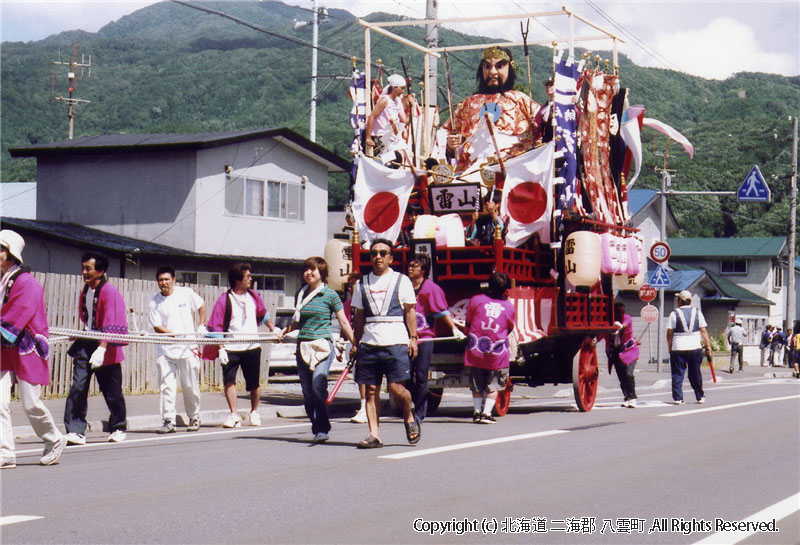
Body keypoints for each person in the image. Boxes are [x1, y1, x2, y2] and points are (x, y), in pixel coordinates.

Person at [0, 230, 67, 468]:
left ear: (11, 254)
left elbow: (13, 318)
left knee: (30, 403)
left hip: (27, 349)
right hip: (5, 349)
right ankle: (5, 452)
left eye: (0, 248)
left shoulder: (27, 283)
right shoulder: (4, 281)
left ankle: (55, 438)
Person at [350, 238, 420, 448]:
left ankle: (409, 416)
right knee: (371, 390)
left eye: (382, 253)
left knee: (396, 389)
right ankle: (374, 434)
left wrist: (413, 338)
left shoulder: (402, 280)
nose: (378, 257)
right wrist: (356, 342)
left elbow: (410, 311)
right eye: (373, 253)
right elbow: (359, 316)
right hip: (370, 342)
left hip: (396, 340)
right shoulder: (361, 283)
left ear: (390, 257)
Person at [279, 257, 356, 443]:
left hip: (323, 345)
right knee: (307, 392)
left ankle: (322, 427)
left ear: (322, 273)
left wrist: (356, 342)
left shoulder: (330, 295)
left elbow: (343, 321)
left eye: (313, 269)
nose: (308, 273)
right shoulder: (301, 294)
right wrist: (285, 330)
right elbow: (298, 322)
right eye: (306, 269)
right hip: (303, 345)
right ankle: (317, 425)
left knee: (317, 385)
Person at [64, 252, 129, 444]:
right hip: (87, 342)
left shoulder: (110, 292)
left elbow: (112, 319)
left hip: (106, 345)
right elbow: (88, 318)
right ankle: (75, 429)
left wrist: (102, 347)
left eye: (88, 268)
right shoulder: (85, 290)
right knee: (78, 386)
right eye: (83, 268)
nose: (84, 272)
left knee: (112, 390)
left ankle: (118, 426)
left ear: (100, 271)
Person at [444, 46, 540, 173]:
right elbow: (447, 134)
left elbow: (542, 129)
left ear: (510, 67)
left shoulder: (521, 100)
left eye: (499, 66)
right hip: (472, 170)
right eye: (487, 67)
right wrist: (451, 146)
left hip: (512, 168)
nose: (493, 72)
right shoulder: (468, 103)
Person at [203, 263, 274, 428]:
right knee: (229, 381)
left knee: (254, 383)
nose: (251, 279)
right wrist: (220, 348)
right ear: (237, 280)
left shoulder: (254, 296)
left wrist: (273, 329)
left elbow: (263, 315)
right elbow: (216, 326)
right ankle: (234, 415)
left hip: (252, 346)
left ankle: (254, 412)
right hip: (231, 347)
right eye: (247, 276)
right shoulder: (224, 299)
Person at [148, 266, 206, 433]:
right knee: (167, 386)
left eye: (167, 279)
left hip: (187, 348)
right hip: (166, 350)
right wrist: (173, 335)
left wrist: (201, 325)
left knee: (190, 385)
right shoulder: (155, 301)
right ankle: (168, 421)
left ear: (173, 279)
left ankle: (194, 417)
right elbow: (157, 326)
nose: (164, 283)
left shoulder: (185, 293)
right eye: (160, 280)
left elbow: (201, 305)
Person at [406, 253, 462, 422]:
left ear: (423, 270)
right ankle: (409, 406)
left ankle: (420, 411)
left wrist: (454, 329)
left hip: (426, 337)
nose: (410, 268)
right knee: (406, 374)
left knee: (422, 374)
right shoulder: (404, 286)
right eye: (409, 265)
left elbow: (442, 311)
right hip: (406, 337)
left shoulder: (430, 288)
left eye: (414, 266)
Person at [463, 271, 515, 423]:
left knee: (477, 384)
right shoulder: (508, 306)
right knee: (493, 384)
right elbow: (509, 327)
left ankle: (477, 411)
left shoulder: (476, 299)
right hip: (496, 351)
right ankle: (486, 413)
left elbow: (469, 321)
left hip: (476, 348)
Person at [666, 290, 712, 405]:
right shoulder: (697, 312)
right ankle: (699, 396)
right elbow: (703, 330)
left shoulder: (674, 313)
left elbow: (669, 332)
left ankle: (678, 398)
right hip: (694, 346)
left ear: (680, 301)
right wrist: (708, 346)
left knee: (677, 373)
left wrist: (670, 346)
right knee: (695, 372)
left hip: (678, 346)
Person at [341, 273, 369, 424]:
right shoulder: (347, 304)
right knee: (358, 377)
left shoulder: (367, 302)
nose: (353, 288)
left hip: (367, 342)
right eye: (351, 285)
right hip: (353, 344)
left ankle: (366, 407)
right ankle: (364, 406)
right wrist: (345, 343)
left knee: (366, 376)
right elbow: (344, 325)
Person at [364, 74, 411, 159]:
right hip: (379, 137)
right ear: (394, 87)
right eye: (401, 88)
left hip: (391, 138)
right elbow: (372, 116)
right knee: (381, 161)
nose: (403, 91)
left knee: (394, 160)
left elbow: (404, 120)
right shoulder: (385, 100)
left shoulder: (397, 102)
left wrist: (412, 108)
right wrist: (368, 137)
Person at [602, 302, 640, 408]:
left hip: (630, 351)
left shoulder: (627, 318)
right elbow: (601, 334)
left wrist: (619, 326)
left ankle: (633, 397)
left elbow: (625, 324)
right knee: (621, 376)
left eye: (622, 312)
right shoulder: (608, 321)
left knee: (628, 373)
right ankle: (627, 397)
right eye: (618, 312)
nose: (620, 314)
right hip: (615, 351)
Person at [533, 78, 555, 145]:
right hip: (547, 142)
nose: (548, 87)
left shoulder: (563, 106)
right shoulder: (544, 108)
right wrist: (533, 125)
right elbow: (537, 123)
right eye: (547, 85)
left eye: (551, 84)